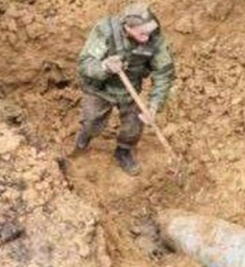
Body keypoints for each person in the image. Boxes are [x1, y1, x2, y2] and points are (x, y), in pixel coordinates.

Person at [74, 2, 175, 176]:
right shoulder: (105, 30)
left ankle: (123, 151)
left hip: (130, 89)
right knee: (91, 122)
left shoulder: (154, 37)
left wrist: (154, 106)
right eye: (141, 33)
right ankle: (83, 139)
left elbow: (164, 72)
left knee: (133, 127)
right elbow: (85, 63)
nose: (147, 38)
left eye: (149, 32)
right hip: (100, 88)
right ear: (127, 28)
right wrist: (104, 67)